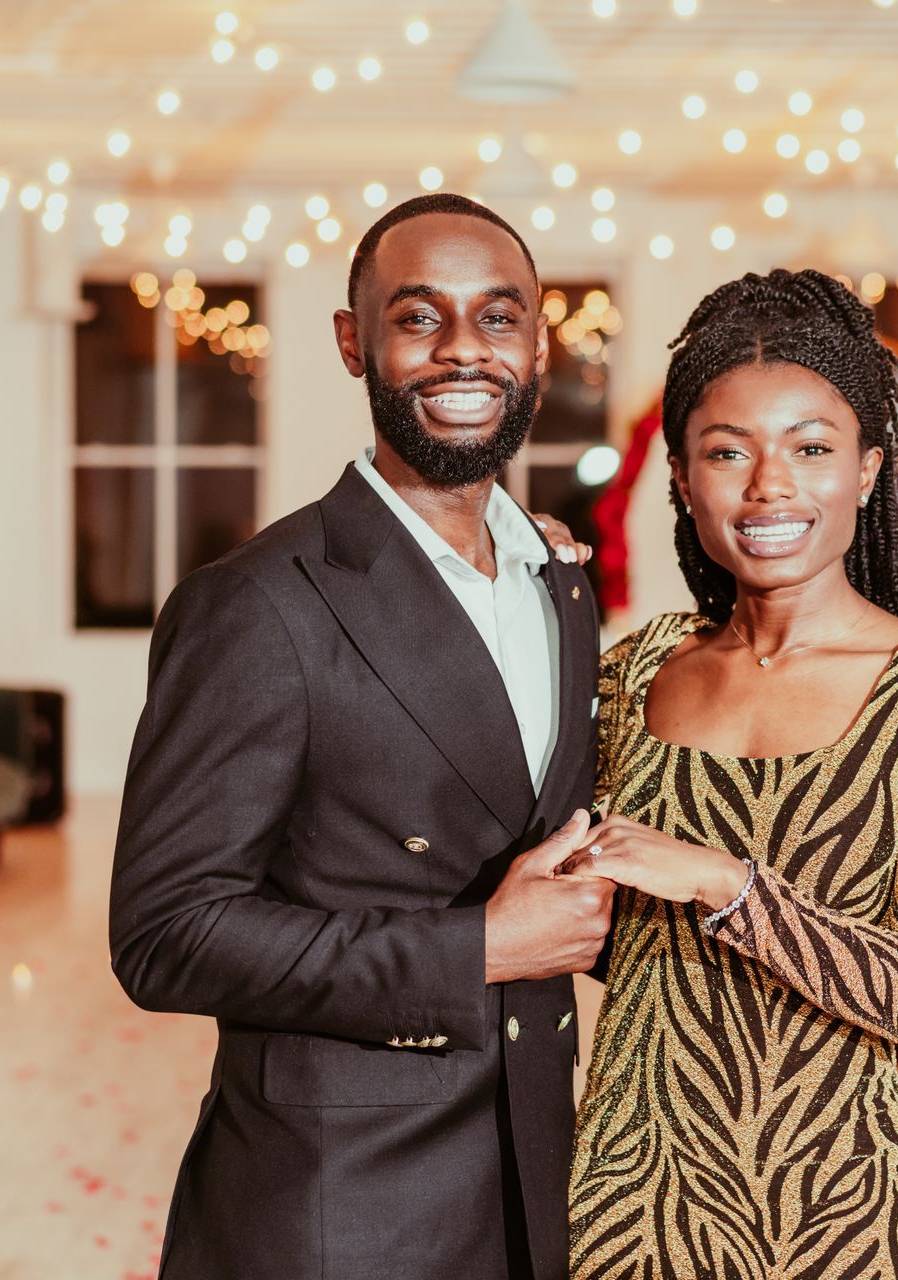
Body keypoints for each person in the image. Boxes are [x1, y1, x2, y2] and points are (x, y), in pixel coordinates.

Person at [108, 194, 614, 1280]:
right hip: (336, 1209)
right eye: (419, 318)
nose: (463, 349)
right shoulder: (257, 605)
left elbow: (573, 872)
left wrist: (847, 1022)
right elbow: (165, 932)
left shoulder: (560, 586)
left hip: (532, 1185)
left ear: (537, 343)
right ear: (354, 341)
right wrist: (475, 947)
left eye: (498, 316)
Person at [563, 269, 898, 1280]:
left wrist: (726, 883)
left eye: (812, 447)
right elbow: (581, 919)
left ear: (866, 466)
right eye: (728, 452)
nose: (770, 485)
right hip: (635, 1195)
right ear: (683, 477)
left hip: (842, 1204)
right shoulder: (639, 670)